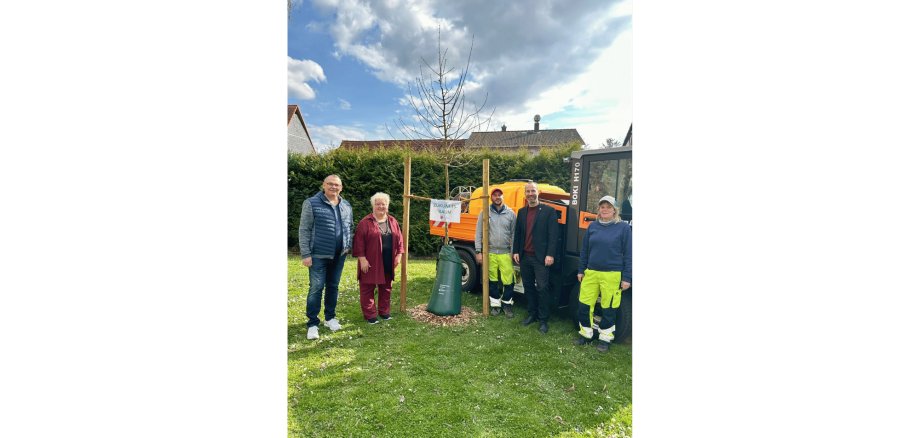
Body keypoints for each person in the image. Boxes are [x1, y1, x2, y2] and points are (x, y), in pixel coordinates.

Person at [574, 195, 632, 353]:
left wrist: (627, 278)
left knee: (609, 308)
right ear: (599, 210)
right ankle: (586, 334)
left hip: (612, 274)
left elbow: (628, 254)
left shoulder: (623, 228)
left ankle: (605, 339)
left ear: (614, 210)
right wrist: (581, 270)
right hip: (591, 273)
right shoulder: (592, 226)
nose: (605, 209)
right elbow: (585, 250)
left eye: (608, 207)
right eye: (602, 207)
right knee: (584, 305)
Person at [299, 174, 353, 340]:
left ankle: (330, 318)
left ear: (341, 188)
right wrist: (306, 254)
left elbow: (349, 226)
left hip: (339, 255)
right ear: (324, 185)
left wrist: (347, 246)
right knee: (316, 287)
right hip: (318, 255)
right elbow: (304, 229)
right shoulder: (311, 203)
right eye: (330, 184)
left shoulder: (346, 205)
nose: (333, 187)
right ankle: (313, 323)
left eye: (337, 185)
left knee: (333, 286)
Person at [512, 181, 560, 334]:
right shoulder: (521, 212)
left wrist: (550, 254)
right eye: (528, 191)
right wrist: (516, 251)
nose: (530, 194)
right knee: (528, 287)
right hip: (525, 256)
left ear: (538, 192)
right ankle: (532, 314)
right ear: (525, 194)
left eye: (533, 191)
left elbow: (553, 235)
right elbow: (518, 233)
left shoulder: (548, 211)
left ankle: (543, 319)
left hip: (541, 258)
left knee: (542, 288)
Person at [352, 192, 404, 324]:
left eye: (384, 204)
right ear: (373, 206)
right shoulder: (365, 222)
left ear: (388, 205)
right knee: (367, 288)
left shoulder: (392, 221)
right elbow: (358, 242)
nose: (381, 206)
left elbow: (400, 240)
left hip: (388, 260)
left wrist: (398, 255)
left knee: (386, 287)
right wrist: (362, 259)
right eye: (378, 204)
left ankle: (384, 312)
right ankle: (370, 315)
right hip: (370, 261)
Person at [475, 187, 517, 317]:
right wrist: (478, 251)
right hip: (490, 253)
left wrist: (513, 251)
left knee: (509, 280)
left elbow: (514, 234)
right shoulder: (485, 212)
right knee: (492, 280)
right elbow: (479, 233)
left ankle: (507, 305)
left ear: (503, 197)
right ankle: (495, 305)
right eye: (495, 195)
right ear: (491, 198)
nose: (497, 197)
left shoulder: (511, 214)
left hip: (505, 253)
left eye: (499, 195)